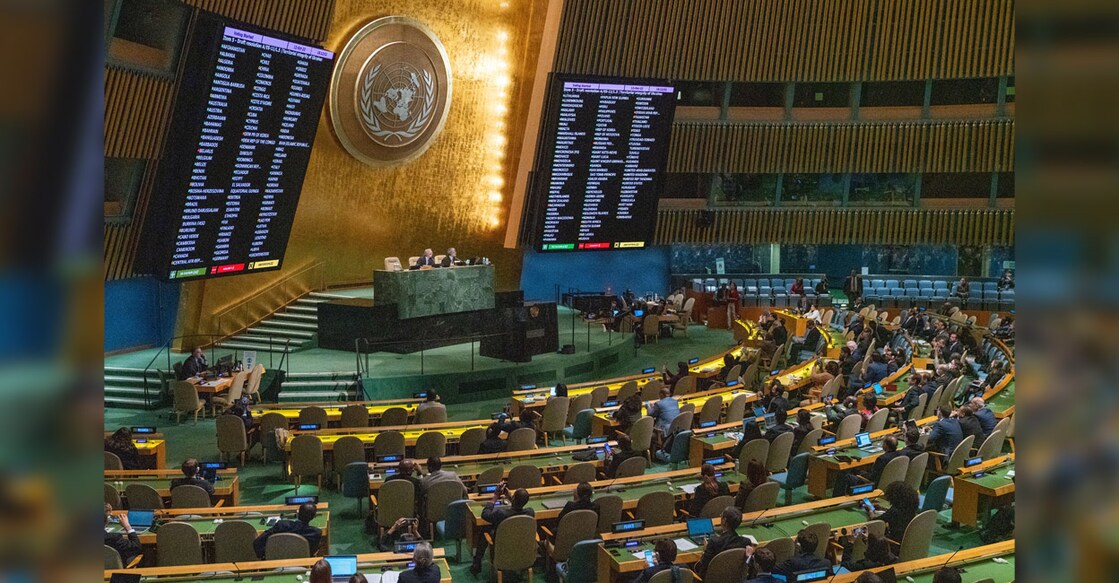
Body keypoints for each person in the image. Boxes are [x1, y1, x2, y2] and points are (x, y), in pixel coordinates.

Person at [470, 486, 535, 574]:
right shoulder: (530, 513)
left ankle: (477, 563)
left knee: (485, 529)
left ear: (514, 498)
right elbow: (518, 508)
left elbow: (485, 514)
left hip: (503, 545)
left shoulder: (501, 514)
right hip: (520, 543)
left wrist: (495, 496)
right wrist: (511, 498)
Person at [695, 507, 751, 576]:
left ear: (724, 521)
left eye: (721, 515)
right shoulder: (745, 542)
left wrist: (705, 550)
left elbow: (704, 566)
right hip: (734, 577)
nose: (720, 516)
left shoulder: (714, 542)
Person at [254, 502, 322, 558]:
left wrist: (264, 556)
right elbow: (311, 552)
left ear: (298, 513)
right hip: (301, 564)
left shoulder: (281, 525)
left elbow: (258, 541)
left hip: (276, 562)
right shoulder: (316, 533)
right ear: (313, 517)